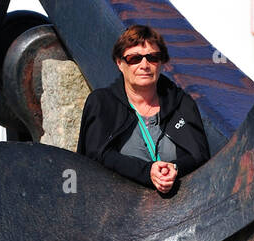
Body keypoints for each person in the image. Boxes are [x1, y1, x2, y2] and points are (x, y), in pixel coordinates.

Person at [77, 25, 210, 193]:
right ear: (120, 63)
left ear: (161, 63)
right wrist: (147, 172)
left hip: (178, 204)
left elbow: (199, 154)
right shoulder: (102, 103)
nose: (144, 65)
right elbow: (96, 155)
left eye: (152, 57)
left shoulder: (181, 102)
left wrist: (173, 169)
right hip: (118, 205)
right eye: (134, 59)